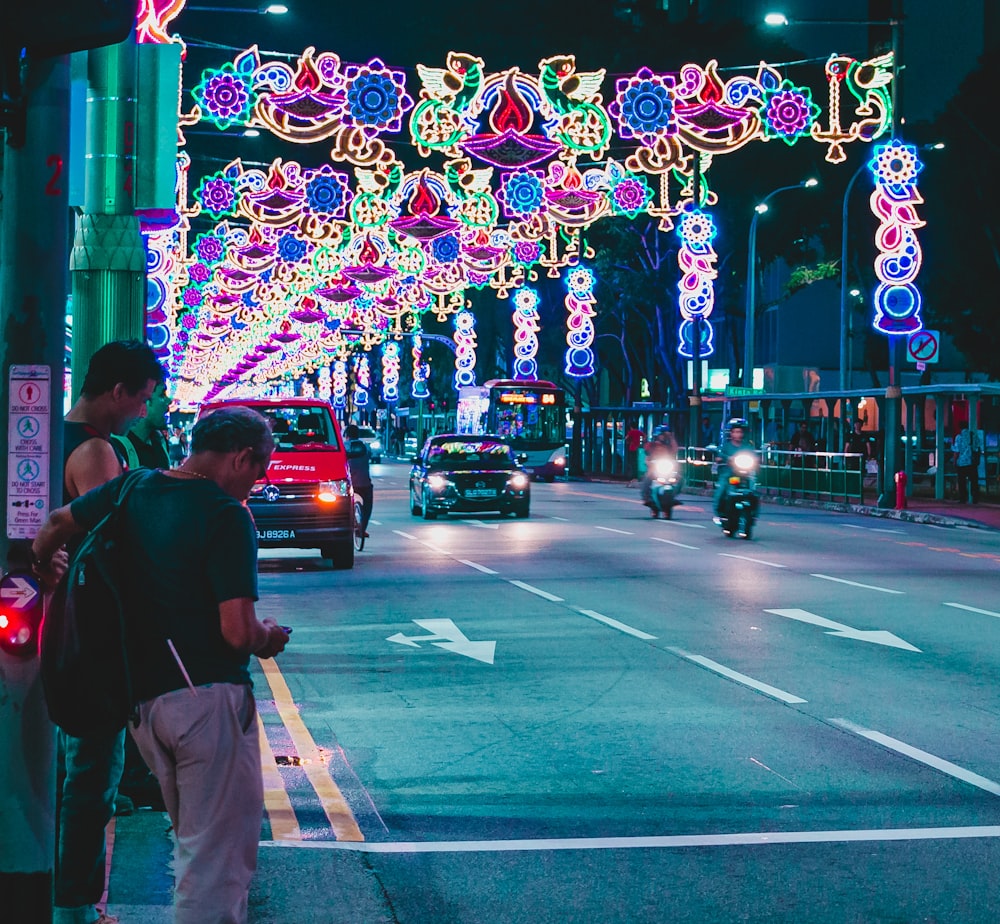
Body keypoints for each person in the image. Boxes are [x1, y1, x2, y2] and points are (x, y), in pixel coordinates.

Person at [33, 406, 289, 924]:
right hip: (208, 700)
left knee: (194, 840)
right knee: (215, 858)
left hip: (145, 703)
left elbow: (58, 522)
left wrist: (44, 563)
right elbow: (237, 631)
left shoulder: (133, 489)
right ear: (241, 457)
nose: (257, 482)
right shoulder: (225, 514)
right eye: (259, 468)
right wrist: (270, 638)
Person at [47, 339, 166, 924]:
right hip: (85, 631)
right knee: (91, 776)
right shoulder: (95, 452)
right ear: (117, 392)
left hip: (52, 628)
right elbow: (117, 543)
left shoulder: (47, 437)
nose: (142, 412)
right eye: (141, 399)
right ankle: (72, 905)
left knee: (65, 773)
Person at [111, 380, 171, 471]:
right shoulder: (115, 447)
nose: (169, 401)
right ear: (144, 401)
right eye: (162, 395)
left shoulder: (160, 442)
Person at [713, 418, 754, 521]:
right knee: (721, 489)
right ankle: (719, 513)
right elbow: (718, 457)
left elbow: (754, 457)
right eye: (736, 432)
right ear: (731, 433)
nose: (738, 434)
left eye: (740, 432)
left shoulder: (747, 447)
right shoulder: (725, 447)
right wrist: (722, 458)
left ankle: (753, 514)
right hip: (729, 474)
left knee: (753, 492)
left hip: (744, 475)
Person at [640, 424, 679, 514]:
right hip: (654, 470)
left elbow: (675, 449)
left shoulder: (668, 446)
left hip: (667, 469)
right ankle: (646, 498)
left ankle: (673, 496)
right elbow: (647, 453)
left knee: (680, 479)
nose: (663, 437)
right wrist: (649, 462)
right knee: (647, 479)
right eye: (662, 435)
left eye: (665, 435)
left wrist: (672, 438)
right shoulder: (652, 445)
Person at [344, 423, 373, 536]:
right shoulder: (365, 447)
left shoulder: (343, 447)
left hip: (349, 484)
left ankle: (351, 526)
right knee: (367, 506)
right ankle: (362, 529)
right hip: (365, 483)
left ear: (346, 435)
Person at [953, 425, 981, 503]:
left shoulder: (959, 437)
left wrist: (955, 461)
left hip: (961, 463)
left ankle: (963, 498)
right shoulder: (973, 436)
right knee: (974, 481)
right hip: (972, 462)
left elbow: (956, 451)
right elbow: (977, 448)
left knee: (962, 481)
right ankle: (975, 497)